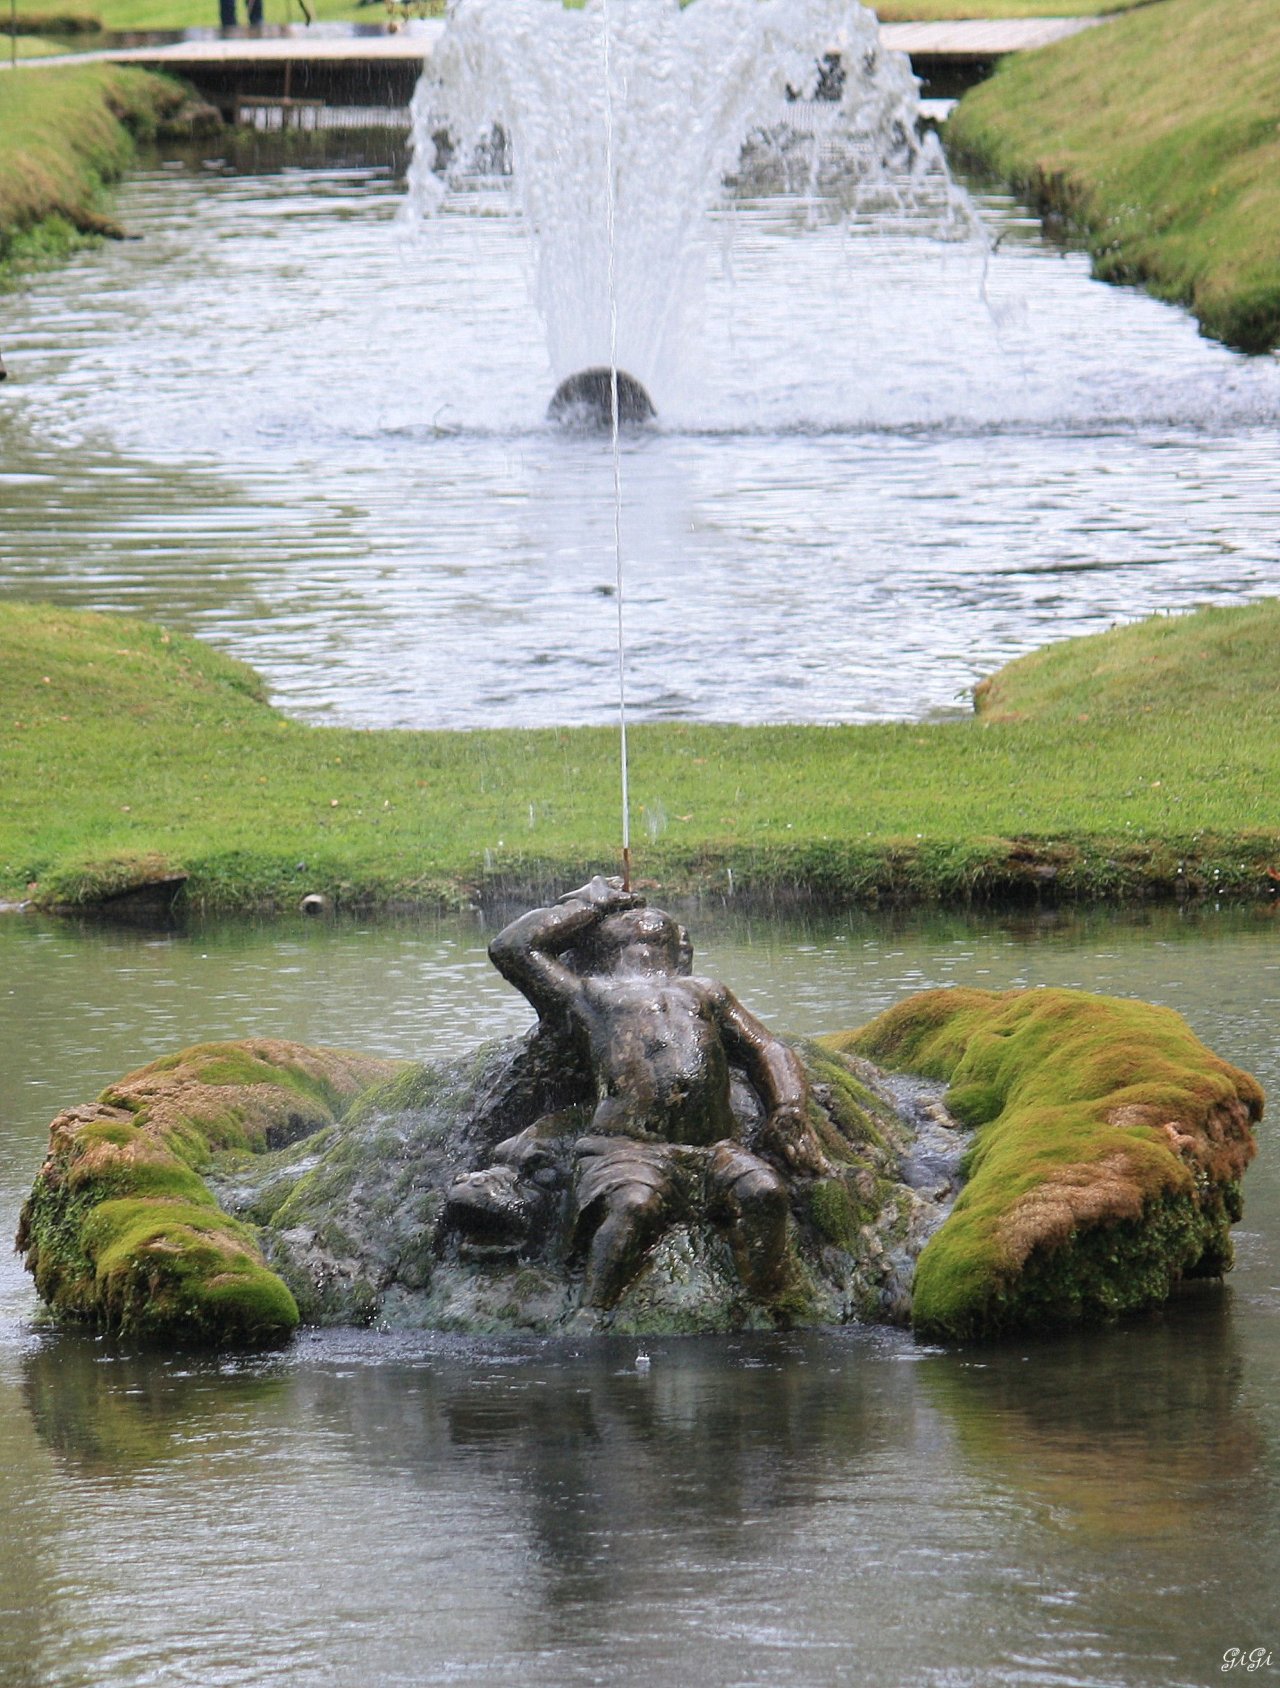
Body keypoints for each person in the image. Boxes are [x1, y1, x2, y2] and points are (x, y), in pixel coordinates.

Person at [472, 875, 828, 1308]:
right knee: (632, 1207)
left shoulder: (706, 991)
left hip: (714, 1149)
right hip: (627, 1149)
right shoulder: (587, 995)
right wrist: (591, 903)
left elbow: (766, 1048)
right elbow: (512, 948)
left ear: (682, 947)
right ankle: (592, 1312)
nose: (638, 916)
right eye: (622, 918)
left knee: (765, 1193)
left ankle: (769, 1305)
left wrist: (788, 1107)